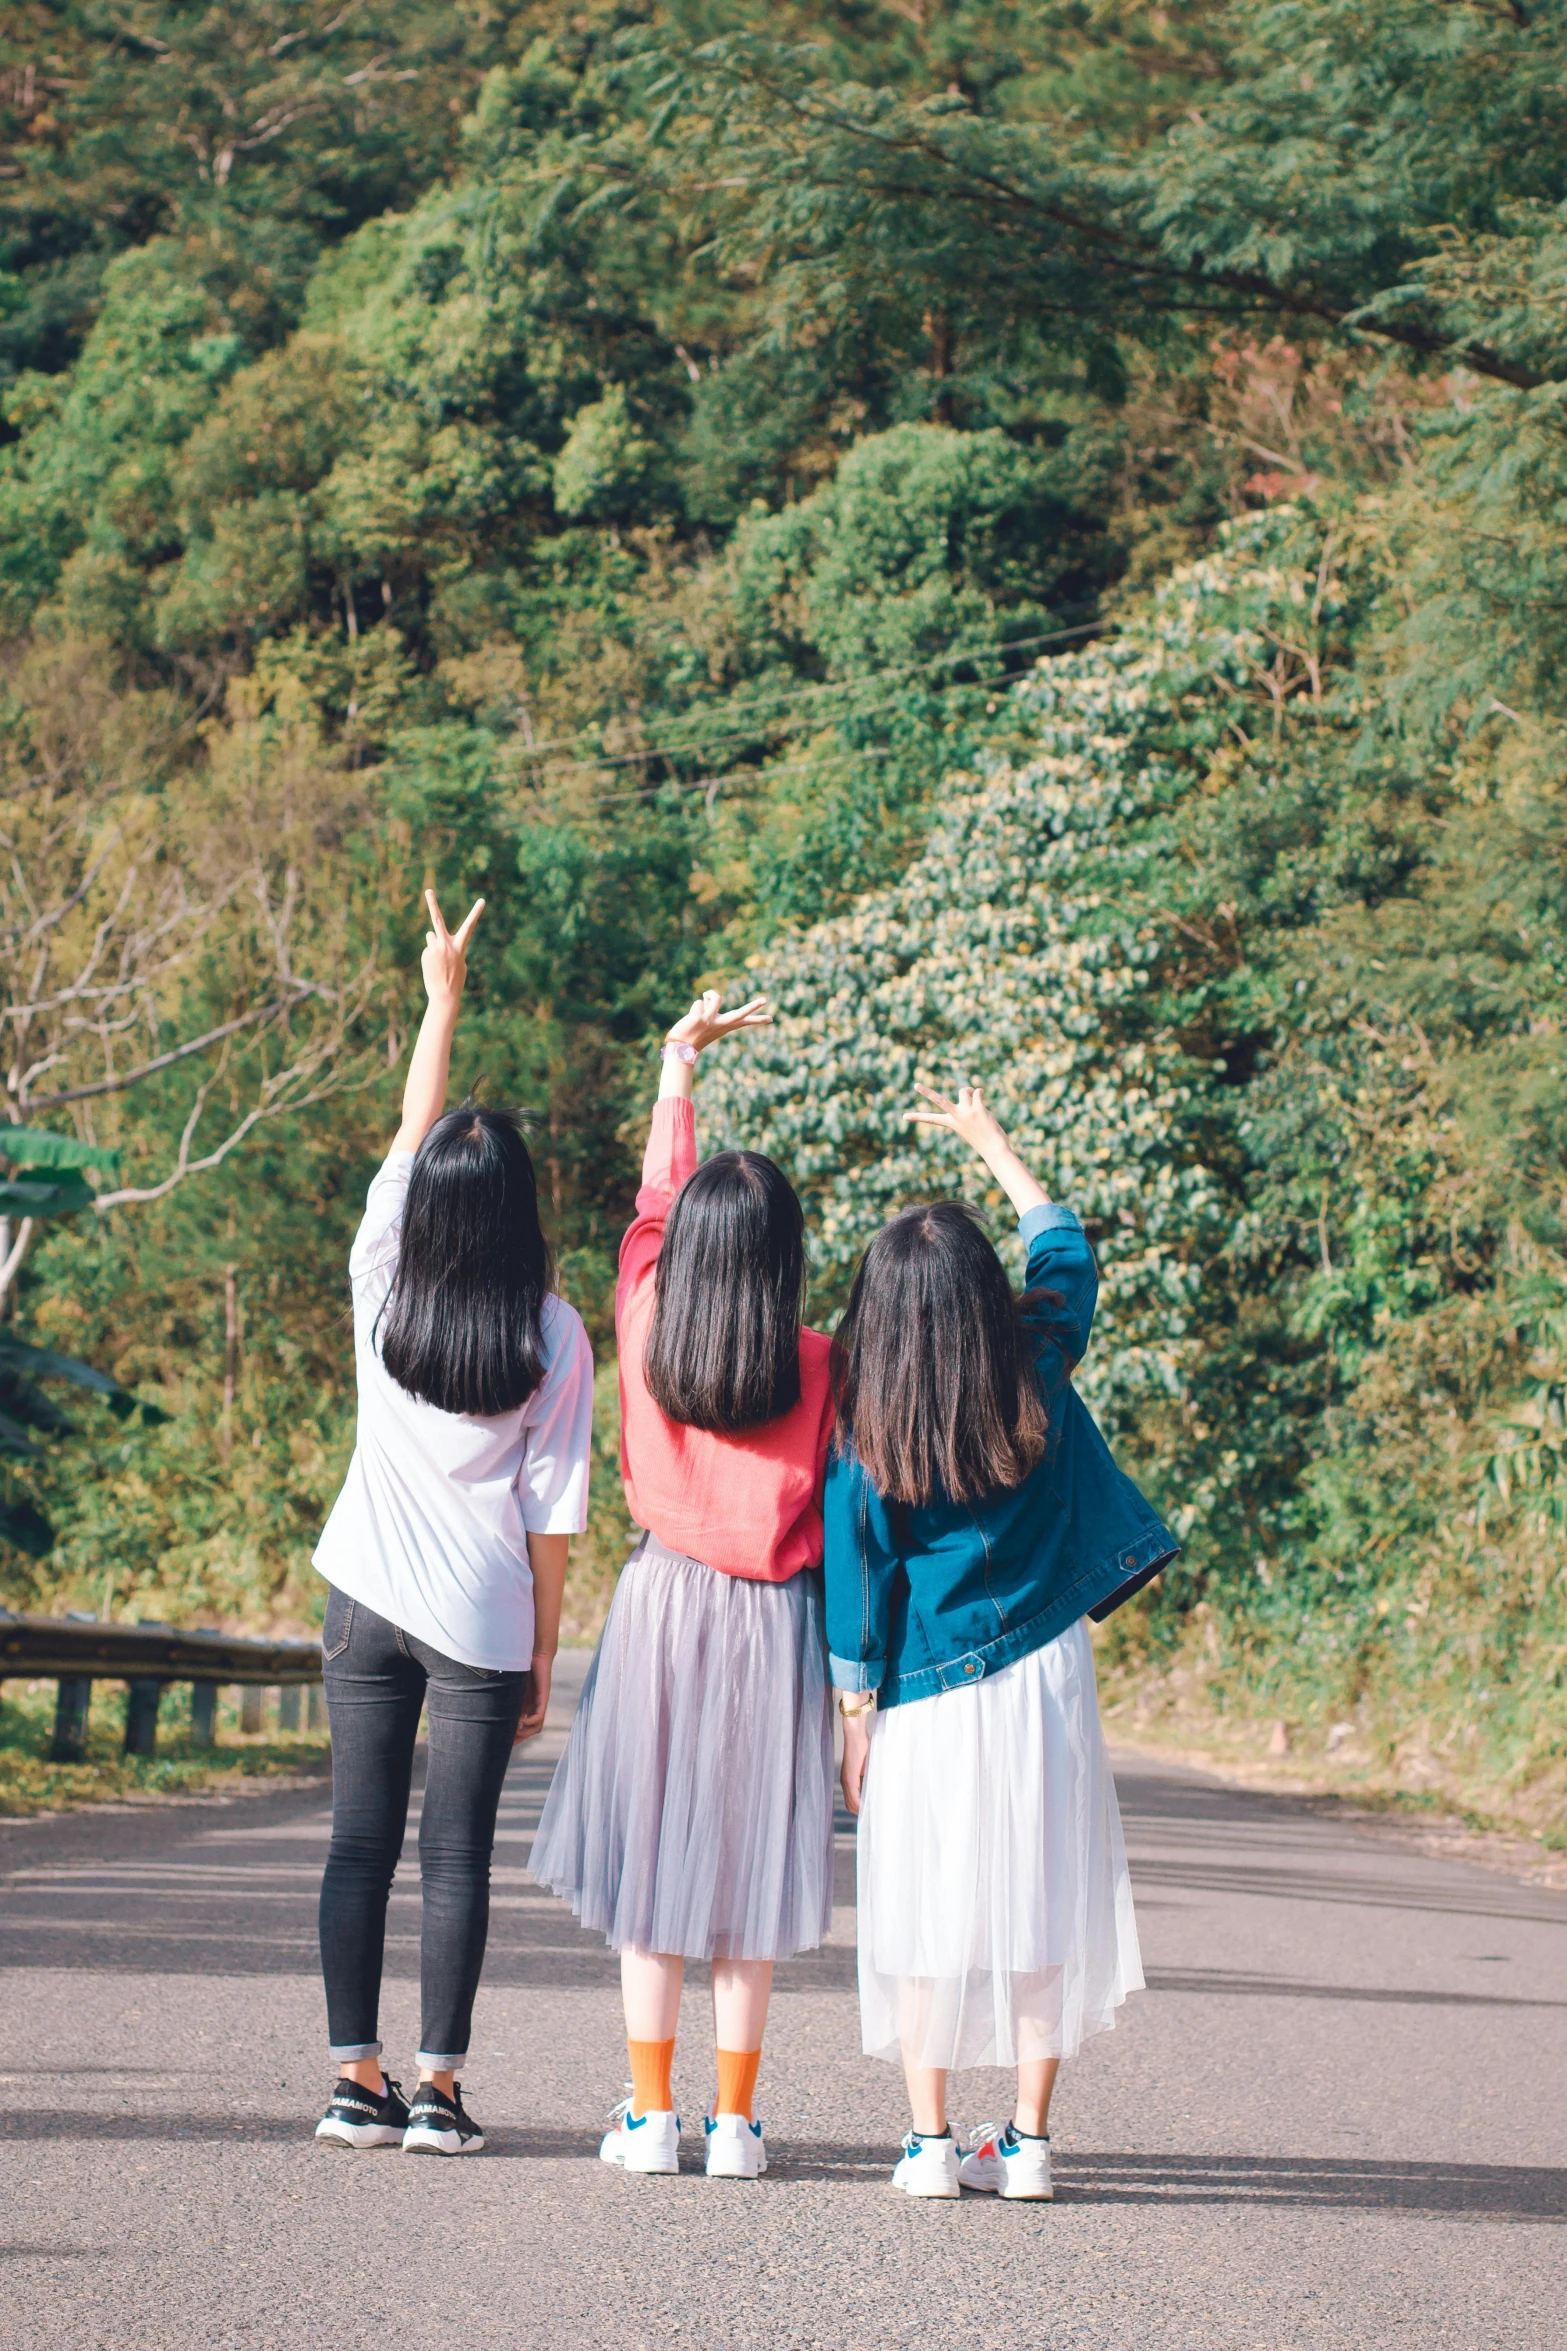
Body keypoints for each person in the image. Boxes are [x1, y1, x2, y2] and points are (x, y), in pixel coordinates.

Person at [827, 1081, 1176, 2200]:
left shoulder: (864, 1418)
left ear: (879, 1312)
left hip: (922, 1687)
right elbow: (1065, 1253)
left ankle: (928, 2143)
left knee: (927, 1906)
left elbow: (859, 1571)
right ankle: (1025, 2142)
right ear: (985, 1296)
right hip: (1042, 1674)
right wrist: (993, 1143)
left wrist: (851, 1710)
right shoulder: (1036, 1358)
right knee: (1037, 1900)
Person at [531, 989, 835, 2182]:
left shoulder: (645, 1318)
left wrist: (676, 1065)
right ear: (785, 1259)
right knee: (746, 1875)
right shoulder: (822, 1363)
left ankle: (650, 2115)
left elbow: (657, 1203)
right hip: (774, 1625)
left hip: (660, 1608)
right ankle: (738, 2122)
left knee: (654, 1873)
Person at [311, 891, 593, 2158]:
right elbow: (554, 1515)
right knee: (454, 1856)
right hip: (481, 1619)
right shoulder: (550, 1331)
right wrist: (542, 1655)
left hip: (363, 1596)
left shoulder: (380, 1276)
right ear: (522, 1209)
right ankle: (438, 2089)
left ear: (428, 1204)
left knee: (357, 1842)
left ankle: (349, 2083)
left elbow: (409, 1127)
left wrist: (441, 998)